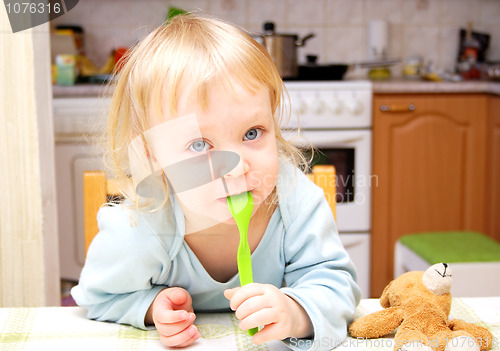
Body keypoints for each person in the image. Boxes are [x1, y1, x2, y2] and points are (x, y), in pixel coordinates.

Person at [72, 13, 361, 351]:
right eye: (199, 145)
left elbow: (336, 284)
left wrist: (297, 312)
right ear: (152, 154)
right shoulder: (140, 227)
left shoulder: (295, 199)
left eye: (252, 133)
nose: (236, 167)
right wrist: (149, 308)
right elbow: (98, 296)